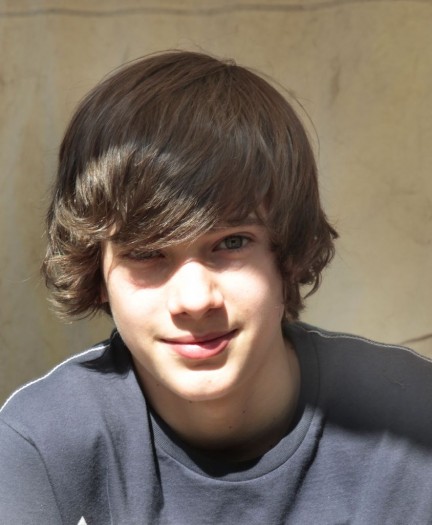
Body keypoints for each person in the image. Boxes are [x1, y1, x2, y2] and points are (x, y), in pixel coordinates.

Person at [0, 50, 431, 525]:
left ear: (288, 251)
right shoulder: (40, 445)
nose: (194, 300)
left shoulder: (411, 414)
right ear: (96, 271)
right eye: (146, 252)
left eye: (231, 242)